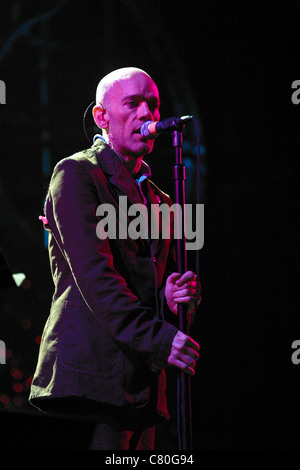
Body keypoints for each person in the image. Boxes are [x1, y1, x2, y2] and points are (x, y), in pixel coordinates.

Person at [29, 67, 200, 450]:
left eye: (153, 105)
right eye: (133, 103)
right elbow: (97, 279)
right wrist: (159, 337)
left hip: (140, 387)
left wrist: (170, 301)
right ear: (102, 117)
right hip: (88, 382)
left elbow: (151, 291)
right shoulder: (76, 174)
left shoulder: (161, 202)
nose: (147, 114)